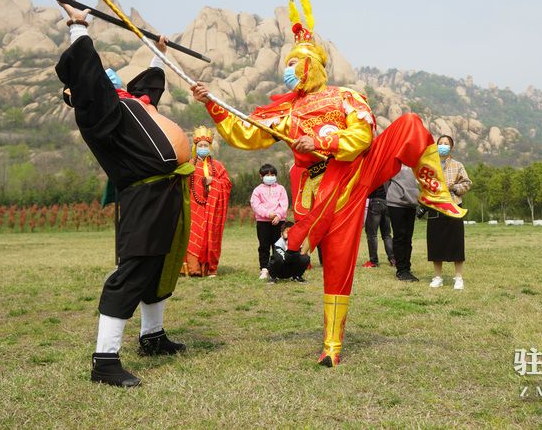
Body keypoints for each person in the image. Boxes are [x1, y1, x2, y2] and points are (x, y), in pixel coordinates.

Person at [192, 22, 465, 366]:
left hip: (355, 169)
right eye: (286, 64)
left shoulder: (344, 97)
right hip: (317, 190)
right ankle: (331, 346)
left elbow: (363, 133)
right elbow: (246, 133)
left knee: (409, 124)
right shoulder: (285, 111)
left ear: (310, 65)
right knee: (335, 261)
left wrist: (323, 141)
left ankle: (434, 190)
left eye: (293, 64)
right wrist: (212, 105)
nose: (287, 71)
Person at [55, 0, 192, 387]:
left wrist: (157, 51)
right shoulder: (100, 115)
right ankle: (104, 361)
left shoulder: (131, 103)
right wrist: (78, 26)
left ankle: (153, 337)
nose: (110, 79)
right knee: (132, 272)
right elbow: (88, 76)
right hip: (144, 198)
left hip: (166, 193)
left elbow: (149, 84)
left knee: (159, 265)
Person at [185, 126, 232, 277]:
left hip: (211, 211)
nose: (203, 148)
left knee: (209, 237)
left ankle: (209, 268)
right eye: (200, 146)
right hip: (193, 208)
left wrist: (214, 181)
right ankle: (194, 269)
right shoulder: (188, 165)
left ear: (210, 147)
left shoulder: (217, 166)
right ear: (195, 147)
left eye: (206, 146)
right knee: (192, 238)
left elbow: (227, 183)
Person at [427, 135, 472, 289]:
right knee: (435, 242)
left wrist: (454, 188)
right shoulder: (430, 165)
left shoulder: (457, 165)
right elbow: (424, 184)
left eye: (446, 144)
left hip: (454, 207)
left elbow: (467, 183)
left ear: (451, 148)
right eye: (440, 143)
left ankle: (458, 277)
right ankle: (437, 277)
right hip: (436, 207)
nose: (443, 146)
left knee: (456, 242)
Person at [250, 163, 289, 280]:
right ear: (261, 176)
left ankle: (277, 268)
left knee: (278, 245)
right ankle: (264, 269)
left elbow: (284, 204)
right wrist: (268, 214)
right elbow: (256, 205)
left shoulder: (281, 189)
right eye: (267, 174)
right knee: (264, 246)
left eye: (272, 174)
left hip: (279, 221)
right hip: (263, 222)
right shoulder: (257, 190)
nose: (270, 176)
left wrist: (278, 215)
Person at [386, 166, 423, 282]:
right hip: (396, 202)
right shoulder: (394, 159)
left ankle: (406, 267)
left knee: (408, 237)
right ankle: (401, 270)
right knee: (400, 236)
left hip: (411, 202)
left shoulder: (415, 161)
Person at [362, 184, 394, 267]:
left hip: (375, 203)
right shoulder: (386, 173)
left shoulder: (374, 172)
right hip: (387, 202)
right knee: (387, 234)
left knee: (371, 234)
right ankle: (393, 259)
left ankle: (373, 261)